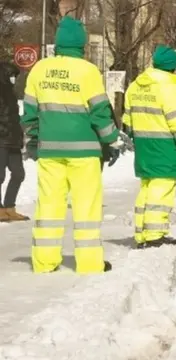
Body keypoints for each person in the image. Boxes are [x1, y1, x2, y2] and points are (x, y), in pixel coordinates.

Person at [20, 16, 121, 274]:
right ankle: (89, 263)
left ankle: (44, 262)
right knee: (86, 207)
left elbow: (30, 113)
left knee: (49, 206)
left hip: (50, 151)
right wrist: (111, 139)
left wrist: (33, 140)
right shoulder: (87, 71)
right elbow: (100, 112)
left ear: (58, 43)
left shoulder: (39, 69)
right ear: (82, 45)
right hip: (84, 152)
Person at [122, 45, 176, 250]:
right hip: (165, 148)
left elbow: (128, 120)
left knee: (146, 188)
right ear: (173, 68)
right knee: (161, 190)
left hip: (143, 146)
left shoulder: (135, 86)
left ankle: (142, 232)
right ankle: (155, 234)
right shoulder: (169, 89)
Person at [0, 62, 29, 222]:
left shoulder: (11, 93)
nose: (14, 79)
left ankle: (9, 207)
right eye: (11, 75)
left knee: (18, 173)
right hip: (1, 140)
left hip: (13, 140)